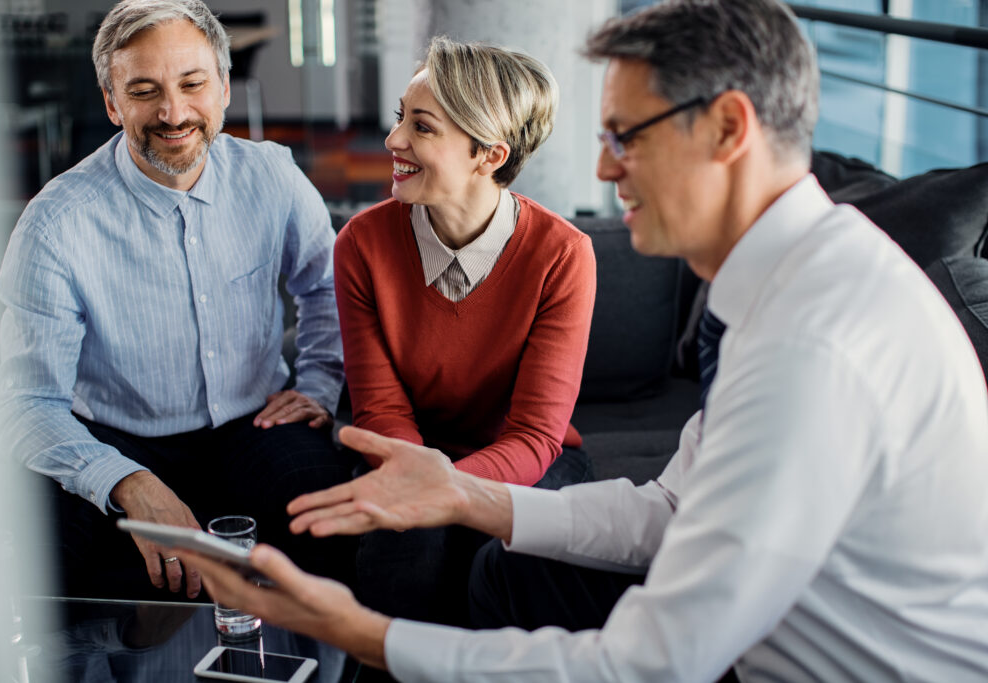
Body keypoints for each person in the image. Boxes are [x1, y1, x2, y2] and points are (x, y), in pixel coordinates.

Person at [179, 0, 988, 680]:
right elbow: (674, 508)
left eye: (625, 135)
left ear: (728, 128)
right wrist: (462, 494)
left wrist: (358, 630)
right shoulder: (792, 289)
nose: (602, 170)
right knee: (495, 574)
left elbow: (657, 659)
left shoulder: (815, 342)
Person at [0, 0, 355, 600]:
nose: (173, 111)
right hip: (111, 432)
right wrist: (127, 480)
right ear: (113, 104)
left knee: (332, 519)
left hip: (255, 421)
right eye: (144, 90)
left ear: (223, 89)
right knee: (40, 557)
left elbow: (326, 288)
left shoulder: (273, 177)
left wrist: (318, 384)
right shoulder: (56, 222)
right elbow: (27, 402)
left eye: (192, 84)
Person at [334, 37, 595, 623]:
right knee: (404, 552)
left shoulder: (563, 255)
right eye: (401, 117)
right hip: (404, 453)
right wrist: (420, 479)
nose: (393, 140)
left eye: (422, 128)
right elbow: (377, 409)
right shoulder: (362, 244)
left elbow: (534, 436)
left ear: (489, 155)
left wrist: (444, 487)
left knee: (504, 556)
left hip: (532, 460)